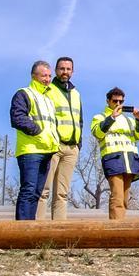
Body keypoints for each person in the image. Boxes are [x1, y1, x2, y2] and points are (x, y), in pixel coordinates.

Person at [8, 60, 60, 221]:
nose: (47, 78)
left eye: (49, 75)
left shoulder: (48, 99)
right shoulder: (24, 93)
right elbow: (17, 118)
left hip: (47, 151)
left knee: (37, 192)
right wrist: (38, 131)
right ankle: (21, 231)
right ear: (33, 76)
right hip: (30, 150)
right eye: (44, 75)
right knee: (28, 190)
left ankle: (30, 228)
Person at [36, 56, 83, 221]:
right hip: (53, 147)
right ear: (56, 70)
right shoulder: (49, 89)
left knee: (62, 193)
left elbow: (80, 120)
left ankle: (59, 231)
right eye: (62, 69)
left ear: (72, 71)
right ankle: (39, 231)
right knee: (44, 190)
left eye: (68, 69)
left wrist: (78, 144)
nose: (65, 72)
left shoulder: (76, 93)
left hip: (71, 149)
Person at [91, 87, 139, 220]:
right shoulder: (100, 117)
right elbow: (98, 133)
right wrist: (111, 118)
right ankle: (115, 231)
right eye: (115, 101)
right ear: (108, 101)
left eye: (121, 102)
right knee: (117, 197)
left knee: (125, 199)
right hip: (113, 160)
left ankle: (122, 227)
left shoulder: (129, 120)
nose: (118, 104)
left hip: (130, 161)